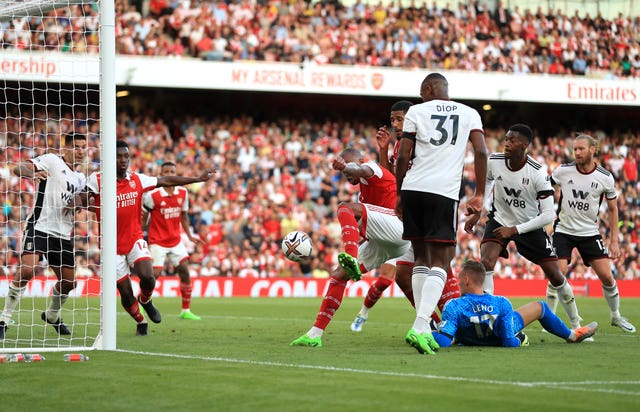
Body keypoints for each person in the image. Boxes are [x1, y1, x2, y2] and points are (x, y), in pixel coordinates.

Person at [395, 72, 488, 354]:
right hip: (443, 192)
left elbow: (402, 156)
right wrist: (480, 193)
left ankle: (421, 325)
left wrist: (400, 193)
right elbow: (481, 152)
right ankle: (422, 324)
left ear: (427, 89)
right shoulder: (470, 113)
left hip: (413, 189)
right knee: (443, 260)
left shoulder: (417, 111)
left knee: (420, 257)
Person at [350, 100, 461, 333]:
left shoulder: (425, 139)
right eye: (393, 120)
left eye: (400, 119)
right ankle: (430, 321)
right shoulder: (401, 145)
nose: (396, 124)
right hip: (409, 213)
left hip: (431, 207)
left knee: (438, 263)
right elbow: (389, 180)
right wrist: (383, 150)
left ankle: (455, 319)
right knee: (402, 275)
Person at [86, 141, 215, 336]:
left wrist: (197, 179)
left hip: (134, 240)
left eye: (125, 156)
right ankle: (140, 321)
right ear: (110, 159)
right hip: (111, 247)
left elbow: (167, 180)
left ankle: (145, 300)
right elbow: (83, 196)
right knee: (126, 294)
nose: (122, 160)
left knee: (148, 276)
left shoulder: (138, 180)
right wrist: (74, 203)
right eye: (118, 156)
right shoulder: (97, 180)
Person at [464, 124, 583, 331]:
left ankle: (575, 323)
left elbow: (548, 215)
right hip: (500, 219)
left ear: (524, 145)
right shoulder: (494, 161)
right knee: (486, 261)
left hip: (529, 226)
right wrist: (478, 211)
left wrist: (515, 229)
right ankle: (489, 319)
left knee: (555, 275)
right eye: (506, 139)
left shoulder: (537, 173)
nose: (506, 144)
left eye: (512, 140)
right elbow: (488, 182)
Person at [290, 148, 410, 347]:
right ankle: (314, 334)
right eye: (344, 175)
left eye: (347, 173)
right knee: (339, 276)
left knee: (345, 207)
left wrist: (347, 167)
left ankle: (351, 257)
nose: (347, 177)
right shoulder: (364, 196)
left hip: (399, 229)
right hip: (386, 242)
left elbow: (359, 170)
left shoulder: (372, 168)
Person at [0, 133, 87, 339]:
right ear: (65, 148)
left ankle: (52, 315)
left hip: (63, 234)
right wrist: (31, 174)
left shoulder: (81, 178)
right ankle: (4, 318)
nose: (80, 150)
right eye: (76, 146)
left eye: (83, 147)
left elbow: (83, 201)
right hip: (39, 226)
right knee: (28, 270)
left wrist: (79, 203)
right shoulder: (52, 160)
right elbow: (19, 167)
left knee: (69, 283)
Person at [547, 134, 635, 333]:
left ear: (592, 150)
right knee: (556, 274)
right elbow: (544, 188)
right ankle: (550, 319)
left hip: (589, 232)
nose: (576, 152)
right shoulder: (563, 171)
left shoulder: (605, 177)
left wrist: (614, 241)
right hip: (564, 230)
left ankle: (615, 316)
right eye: (575, 149)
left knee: (606, 276)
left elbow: (613, 210)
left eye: (581, 149)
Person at [432, 260, 598, 348]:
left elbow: (444, 342)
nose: (457, 283)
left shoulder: (454, 306)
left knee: (446, 329)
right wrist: (519, 338)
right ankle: (572, 336)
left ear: (466, 280)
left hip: (467, 336)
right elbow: (509, 343)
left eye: (459, 280)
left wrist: (429, 332)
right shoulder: (501, 303)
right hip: (498, 333)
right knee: (540, 307)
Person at [142, 161, 203, 321]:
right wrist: (140, 234)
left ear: (177, 173)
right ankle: (143, 302)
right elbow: (144, 216)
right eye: (166, 171)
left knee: (184, 271)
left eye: (172, 171)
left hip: (176, 240)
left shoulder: (183, 192)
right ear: (161, 174)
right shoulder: (153, 195)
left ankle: (185, 310)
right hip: (157, 241)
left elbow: (183, 215)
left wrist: (189, 236)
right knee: (154, 275)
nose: (169, 173)